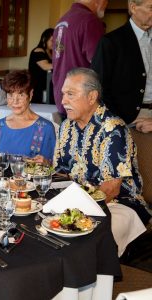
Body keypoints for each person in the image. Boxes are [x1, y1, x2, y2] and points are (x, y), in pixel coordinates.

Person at [54, 67, 151, 255]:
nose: (63, 101)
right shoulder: (66, 125)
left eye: (71, 94)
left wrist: (75, 209)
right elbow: (60, 173)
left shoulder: (113, 129)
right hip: (76, 201)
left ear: (92, 97)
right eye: (63, 94)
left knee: (83, 238)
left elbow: (111, 188)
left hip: (119, 203)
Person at [91, 0, 152, 132]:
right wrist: (119, 120)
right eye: (151, 8)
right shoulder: (111, 42)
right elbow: (98, 88)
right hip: (127, 121)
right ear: (133, 7)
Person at [52, 0, 108, 118]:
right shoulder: (89, 20)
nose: (106, 5)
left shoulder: (62, 20)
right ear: (99, 1)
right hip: (82, 101)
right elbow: (99, 63)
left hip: (63, 97)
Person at [0, 70, 56, 163]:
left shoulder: (45, 128)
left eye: (21, 95)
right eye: (10, 95)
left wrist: (46, 163)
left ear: (30, 95)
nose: (15, 101)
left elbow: (53, 166)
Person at [28, 28, 54, 104]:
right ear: (44, 39)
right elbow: (46, 66)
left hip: (47, 86)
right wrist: (63, 65)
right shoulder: (38, 50)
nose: (54, 43)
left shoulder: (51, 52)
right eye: (52, 40)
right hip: (38, 87)